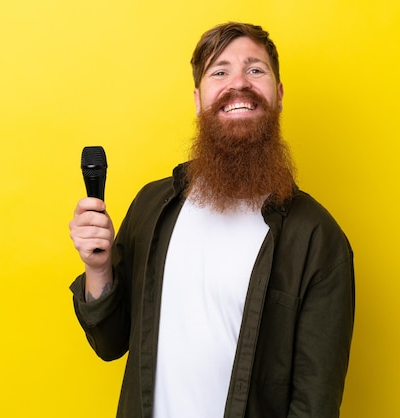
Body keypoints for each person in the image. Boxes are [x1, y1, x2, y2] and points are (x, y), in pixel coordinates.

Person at [69, 22, 355, 418]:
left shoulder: (318, 239)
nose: (239, 83)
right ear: (198, 99)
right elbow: (110, 342)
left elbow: (315, 403)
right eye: (219, 72)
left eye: (255, 69)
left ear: (279, 94)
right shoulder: (153, 207)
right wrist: (98, 267)